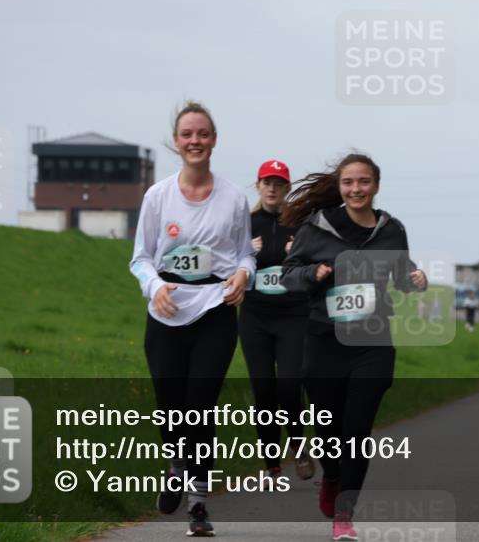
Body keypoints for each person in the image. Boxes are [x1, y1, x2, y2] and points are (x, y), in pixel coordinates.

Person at [280, 152, 427, 542]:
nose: (356, 189)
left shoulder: (392, 230)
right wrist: (313, 273)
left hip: (373, 341)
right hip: (325, 339)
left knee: (358, 431)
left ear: (376, 185)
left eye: (363, 182)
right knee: (330, 430)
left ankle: (344, 514)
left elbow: (402, 276)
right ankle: (331, 474)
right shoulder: (316, 228)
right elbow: (288, 275)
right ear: (340, 187)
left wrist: (417, 279)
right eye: (349, 183)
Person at [128, 102, 256, 537]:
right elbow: (141, 258)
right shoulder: (158, 197)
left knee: (200, 406)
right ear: (176, 142)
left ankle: (198, 503)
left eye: (203, 133)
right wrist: (155, 287)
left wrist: (243, 275)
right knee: (170, 407)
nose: (195, 141)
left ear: (214, 140)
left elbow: (245, 254)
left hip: (215, 309)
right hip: (166, 309)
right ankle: (175, 464)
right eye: (187, 134)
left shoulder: (234, 197)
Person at [239, 159, 316, 481]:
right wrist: (245, 252)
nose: (272, 188)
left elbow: (316, 263)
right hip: (255, 316)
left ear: (287, 188)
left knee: (289, 385)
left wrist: (298, 252)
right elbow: (225, 263)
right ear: (257, 186)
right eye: (266, 182)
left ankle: (298, 445)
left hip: (293, 315)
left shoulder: (300, 223)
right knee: (262, 389)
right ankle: (271, 463)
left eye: (279, 183)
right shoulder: (245, 222)